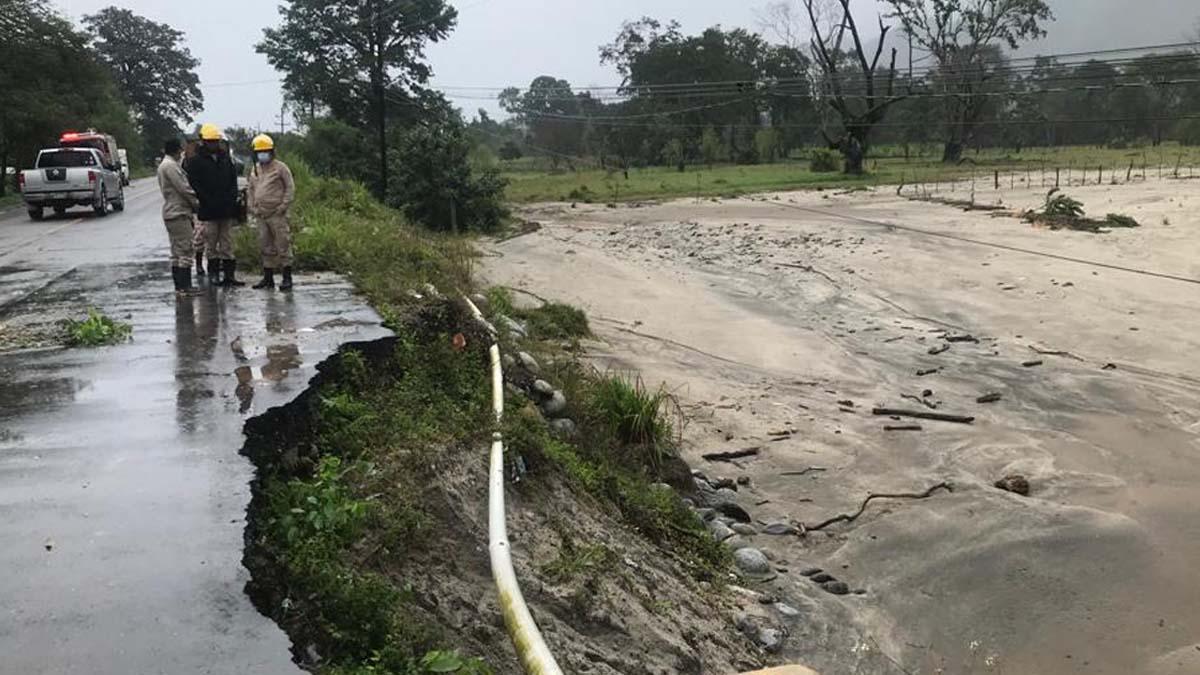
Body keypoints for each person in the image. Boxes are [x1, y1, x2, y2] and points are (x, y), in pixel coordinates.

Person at [185, 123, 244, 287]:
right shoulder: (195, 162)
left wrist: (232, 199)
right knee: (210, 243)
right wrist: (206, 199)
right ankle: (213, 274)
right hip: (208, 210)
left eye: (215, 141)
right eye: (210, 141)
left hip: (226, 209)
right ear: (204, 141)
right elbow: (194, 184)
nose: (213, 145)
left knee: (227, 243)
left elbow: (233, 181)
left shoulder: (225, 159)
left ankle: (229, 276)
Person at [246, 134, 296, 291]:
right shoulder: (255, 170)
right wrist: (252, 207)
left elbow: (290, 188)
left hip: (277, 214)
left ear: (272, 151)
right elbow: (251, 190)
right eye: (260, 152)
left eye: (266, 151)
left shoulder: (281, 168)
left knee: (283, 244)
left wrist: (283, 206)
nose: (263, 154)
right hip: (261, 214)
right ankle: (268, 278)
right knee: (265, 245)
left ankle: (287, 277)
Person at [156, 138, 201, 297]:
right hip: (178, 212)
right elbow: (183, 188)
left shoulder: (165, 165)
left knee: (176, 251)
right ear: (176, 150)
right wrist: (196, 202)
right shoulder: (171, 166)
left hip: (172, 211)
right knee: (186, 249)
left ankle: (179, 286)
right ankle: (185, 285)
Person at [181, 133, 207, 279]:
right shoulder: (184, 162)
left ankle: (203, 263)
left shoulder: (200, 159)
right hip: (191, 203)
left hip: (202, 201)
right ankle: (197, 263)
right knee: (197, 236)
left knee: (203, 234)